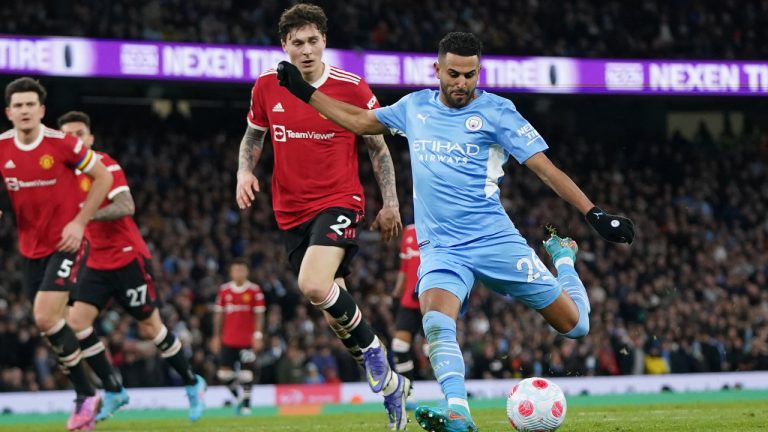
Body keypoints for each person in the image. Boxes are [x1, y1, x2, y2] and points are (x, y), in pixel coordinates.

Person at [276, 32, 635, 432]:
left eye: (470, 75)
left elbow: (545, 169)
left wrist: (594, 213)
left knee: (576, 327)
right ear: (437, 70)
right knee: (435, 318)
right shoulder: (414, 107)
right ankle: (458, 413)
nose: (462, 83)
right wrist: (305, 92)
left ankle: (564, 261)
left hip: (494, 240)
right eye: (454, 74)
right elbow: (361, 121)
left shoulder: (499, 112)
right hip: (443, 248)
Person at [234, 3, 410, 430]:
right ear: (284, 45)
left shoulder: (351, 87)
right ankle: (391, 386)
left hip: (339, 200)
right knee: (334, 312)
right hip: (289, 212)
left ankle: (375, 356)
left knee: (313, 284)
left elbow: (377, 147)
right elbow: (253, 137)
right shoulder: (265, 87)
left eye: (314, 41)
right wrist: (243, 170)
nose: (307, 50)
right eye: (298, 43)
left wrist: (391, 203)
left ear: (325, 41)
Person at [58, 111, 207, 423]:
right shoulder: (62, 174)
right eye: (68, 135)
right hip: (96, 261)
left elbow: (127, 205)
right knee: (76, 321)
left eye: (80, 134)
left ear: (90, 138)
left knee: (150, 327)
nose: (75, 140)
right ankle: (114, 390)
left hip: (127, 258)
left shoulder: (105, 165)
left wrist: (83, 218)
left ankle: (193, 383)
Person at [0, 78, 113, 431]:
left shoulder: (62, 143)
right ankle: (95, 392)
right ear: (9, 112)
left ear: (41, 110)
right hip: (29, 248)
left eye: (30, 104)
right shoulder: (1, 147)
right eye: (18, 105)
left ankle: (88, 393)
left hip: (66, 242)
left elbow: (103, 178)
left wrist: (79, 222)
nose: (24, 111)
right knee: (52, 324)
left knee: (45, 317)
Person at [210, 258, 266, 415]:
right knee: (223, 374)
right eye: (235, 270)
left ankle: (247, 406)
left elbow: (260, 315)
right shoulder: (224, 290)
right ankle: (239, 396)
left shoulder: (254, 290)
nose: (238, 273)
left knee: (247, 373)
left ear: (247, 272)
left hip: (247, 340)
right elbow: (218, 315)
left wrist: (258, 335)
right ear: (231, 272)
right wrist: (216, 336)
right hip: (228, 339)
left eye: (241, 270)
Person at [391, 224, 422, 384]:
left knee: (434, 348)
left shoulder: (441, 225)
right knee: (399, 345)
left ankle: (451, 392)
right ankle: (407, 390)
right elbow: (404, 267)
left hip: (433, 299)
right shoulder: (409, 231)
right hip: (410, 299)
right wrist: (397, 292)